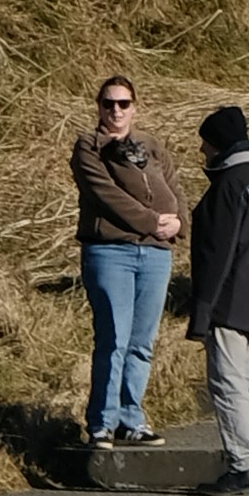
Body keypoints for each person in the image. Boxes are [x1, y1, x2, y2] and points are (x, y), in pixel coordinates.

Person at [71, 74, 185, 462]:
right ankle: (102, 422)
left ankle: (131, 419)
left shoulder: (152, 146)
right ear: (98, 107)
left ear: (135, 107)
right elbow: (105, 195)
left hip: (155, 255)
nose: (115, 111)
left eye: (123, 104)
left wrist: (180, 221)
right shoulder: (89, 146)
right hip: (110, 252)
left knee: (141, 343)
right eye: (108, 104)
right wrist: (152, 220)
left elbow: (174, 186)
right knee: (113, 339)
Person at [185, 104, 249, 493]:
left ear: (220, 145)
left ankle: (242, 464)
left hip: (227, 303)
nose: (203, 153)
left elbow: (216, 254)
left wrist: (202, 311)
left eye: (206, 145)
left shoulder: (228, 186)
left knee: (228, 385)